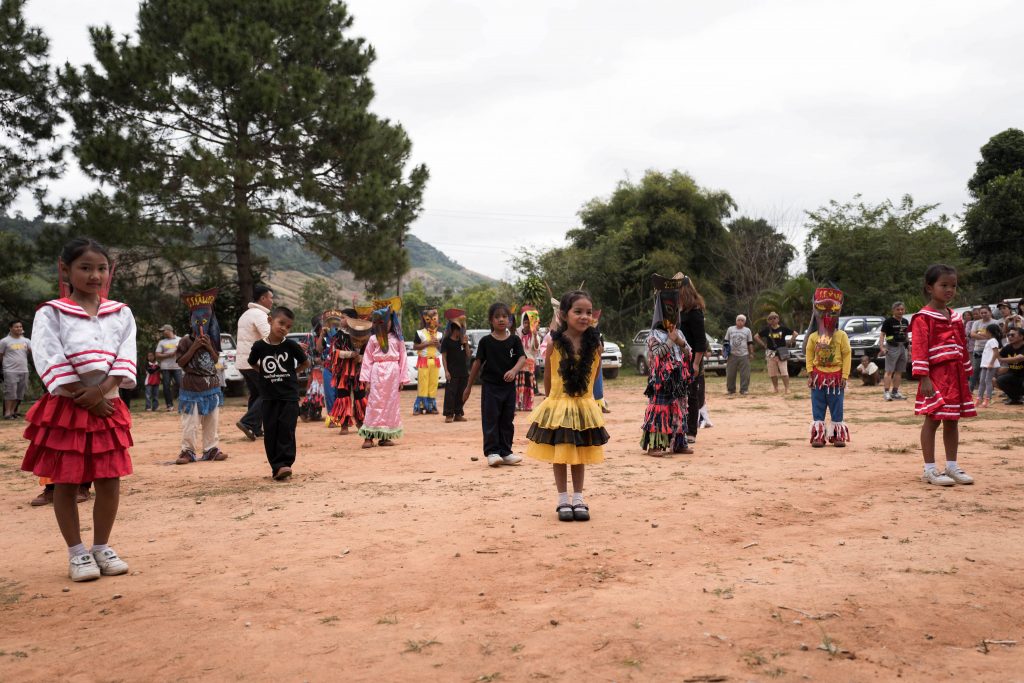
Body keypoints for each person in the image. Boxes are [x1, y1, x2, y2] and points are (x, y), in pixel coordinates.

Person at [21, 238, 136, 581]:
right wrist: (82, 394)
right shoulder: (51, 312)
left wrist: (101, 392)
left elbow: (125, 355)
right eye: (85, 268)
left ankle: (101, 547)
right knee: (66, 481)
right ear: (66, 270)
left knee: (109, 479)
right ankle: (77, 553)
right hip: (67, 407)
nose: (94, 275)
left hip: (108, 405)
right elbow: (48, 356)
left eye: (101, 268)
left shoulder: (121, 312)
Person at [526, 291, 609, 522]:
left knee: (580, 453)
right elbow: (548, 375)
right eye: (578, 311)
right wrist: (551, 401)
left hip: (583, 405)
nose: (584, 316)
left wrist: (590, 399)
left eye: (589, 312)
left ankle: (578, 498)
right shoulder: (555, 343)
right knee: (561, 452)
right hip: (559, 404)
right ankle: (563, 499)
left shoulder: (595, 344)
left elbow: (594, 375)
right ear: (564, 314)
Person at [910, 264, 976, 486]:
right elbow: (919, 348)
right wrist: (924, 377)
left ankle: (952, 466)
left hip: (955, 375)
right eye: (944, 285)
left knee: (952, 420)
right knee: (933, 419)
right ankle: (929, 469)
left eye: (953, 286)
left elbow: (962, 345)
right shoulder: (922, 317)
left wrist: (966, 370)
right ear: (930, 287)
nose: (949, 290)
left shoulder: (955, 317)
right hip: (935, 375)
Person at [247, 306, 309, 480]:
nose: (284, 328)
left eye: (288, 326)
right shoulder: (259, 346)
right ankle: (276, 467)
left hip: (289, 396)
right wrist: (263, 373)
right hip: (269, 397)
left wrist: (292, 373)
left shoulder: (291, 345)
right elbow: (252, 362)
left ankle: (285, 464)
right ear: (270, 320)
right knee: (271, 431)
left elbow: (305, 363)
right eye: (281, 323)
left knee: (287, 429)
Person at [464, 302, 527, 467]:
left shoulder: (514, 340)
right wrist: (468, 386)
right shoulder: (486, 341)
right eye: (497, 317)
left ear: (510, 320)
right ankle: (492, 452)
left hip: (508, 388)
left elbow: (522, 358)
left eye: (504, 316)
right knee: (491, 418)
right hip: (491, 387)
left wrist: (514, 370)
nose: (501, 319)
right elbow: (477, 363)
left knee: (507, 419)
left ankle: (506, 452)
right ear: (491, 320)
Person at [174, 289, 227, 464]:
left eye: (205, 320)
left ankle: (211, 449)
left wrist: (209, 347)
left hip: (211, 386)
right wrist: (194, 346)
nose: (201, 323)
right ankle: (187, 451)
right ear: (191, 322)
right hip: (191, 387)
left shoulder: (213, 339)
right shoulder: (185, 341)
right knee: (190, 422)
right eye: (197, 320)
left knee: (212, 421)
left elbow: (215, 359)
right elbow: (181, 362)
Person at [640, 274, 691, 455]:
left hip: (678, 378)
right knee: (660, 408)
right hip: (661, 380)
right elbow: (657, 354)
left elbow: (688, 352)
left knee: (679, 407)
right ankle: (655, 445)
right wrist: (670, 341)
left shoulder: (679, 333)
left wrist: (678, 341)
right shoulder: (654, 335)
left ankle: (679, 443)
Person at [806, 287, 851, 447]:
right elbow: (809, 355)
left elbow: (847, 355)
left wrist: (845, 376)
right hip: (818, 377)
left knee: (837, 406)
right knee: (817, 405)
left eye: (832, 312)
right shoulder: (813, 337)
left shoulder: (842, 335)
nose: (827, 316)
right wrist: (810, 374)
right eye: (823, 312)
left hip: (836, 377)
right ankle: (818, 436)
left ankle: (837, 436)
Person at [358, 301, 406, 448]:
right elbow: (367, 360)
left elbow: (403, 358)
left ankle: (384, 437)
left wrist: (402, 379)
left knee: (390, 405)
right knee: (374, 403)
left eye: (387, 321)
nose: (384, 324)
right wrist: (366, 380)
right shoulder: (373, 339)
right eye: (379, 322)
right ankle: (368, 437)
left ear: (392, 321)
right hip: (377, 372)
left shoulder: (398, 339)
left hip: (393, 374)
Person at [235, 284, 274, 440]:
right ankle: (248, 422)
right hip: (255, 363)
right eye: (270, 298)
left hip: (243, 362)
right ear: (263, 298)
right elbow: (269, 336)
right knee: (268, 392)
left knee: (256, 394)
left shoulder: (246, 314)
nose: (272, 301)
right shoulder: (259, 315)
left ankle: (255, 428)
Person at [328, 310, 372, 434]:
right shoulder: (338, 335)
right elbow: (333, 352)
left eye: (343, 317)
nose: (341, 320)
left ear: (352, 320)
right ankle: (344, 424)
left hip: (358, 370)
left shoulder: (363, 335)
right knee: (343, 396)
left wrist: (361, 357)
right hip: (343, 371)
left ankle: (361, 421)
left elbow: (369, 353)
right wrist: (350, 354)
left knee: (360, 396)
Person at [677, 275, 707, 447]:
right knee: (678, 394)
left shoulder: (695, 312)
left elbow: (701, 342)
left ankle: (691, 431)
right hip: (678, 359)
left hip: (692, 359)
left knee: (691, 395)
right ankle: (679, 427)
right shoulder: (678, 311)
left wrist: (696, 363)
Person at [440, 309, 470, 423]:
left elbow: (468, 355)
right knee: (450, 394)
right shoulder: (446, 341)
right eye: (458, 329)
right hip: (452, 372)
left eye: (461, 329)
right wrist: (446, 371)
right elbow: (444, 357)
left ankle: (458, 414)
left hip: (463, 371)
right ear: (453, 329)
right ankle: (449, 414)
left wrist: (466, 344)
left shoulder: (462, 341)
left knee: (461, 393)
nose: (460, 332)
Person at [755, 312, 796, 394]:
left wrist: (789, 342)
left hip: (782, 353)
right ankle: (775, 388)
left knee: (784, 372)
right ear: (768, 321)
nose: (773, 320)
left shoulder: (783, 329)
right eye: (770, 319)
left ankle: (787, 388)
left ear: (778, 319)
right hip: (770, 353)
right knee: (772, 373)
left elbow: (795, 333)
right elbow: (756, 336)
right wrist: (763, 345)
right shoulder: (767, 330)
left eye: (774, 318)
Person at [412, 307, 442, 415]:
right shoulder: (420, 333)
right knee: (423, 384)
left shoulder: (440, 334)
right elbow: (415, 346)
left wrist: (438, 344)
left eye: (435, 318)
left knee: (433, 384)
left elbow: (442, 349)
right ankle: (419, 407)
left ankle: (431, 407)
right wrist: (428, 343)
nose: (432, 321)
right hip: (424, 361)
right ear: (425, 319)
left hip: (435, 361)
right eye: (430, 319)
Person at [878, 301, 910, 400]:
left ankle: (895, 392)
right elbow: (882, 334)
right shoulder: (888, 321)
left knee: (899, 371)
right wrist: (882, 348)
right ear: (893, 310)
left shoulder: (905, 321)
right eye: (898, 309)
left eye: (902, 309)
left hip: (903, 347)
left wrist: (909, 350)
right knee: (889, 371)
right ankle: (886, 392)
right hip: (892, 347)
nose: (900, 311)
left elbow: (906, 335)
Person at [1, 319, 32, 419]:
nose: (19, 328)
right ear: (10, 328)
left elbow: (33, 352)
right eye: (16, 327)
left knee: (19, 393)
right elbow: (0, 355)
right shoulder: (4, 341)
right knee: (11, 392)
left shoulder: (26, 341)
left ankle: (13, 412)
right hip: (10, 370)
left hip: (24, 370)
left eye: (20, 327)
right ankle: (7, 413)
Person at [515, 307, 541, 411]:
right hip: (519, 363)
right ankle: (518, 404)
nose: (526, 325)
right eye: (525, 322)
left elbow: (536, 348)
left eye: (528, 322)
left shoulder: (535, 335)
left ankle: (528, 405)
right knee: (518, 384)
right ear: (522, 322)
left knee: (528, 385)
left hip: (529, 363)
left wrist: (535, 335)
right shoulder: (517, 333)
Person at [724, 314, 754, 395]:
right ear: (736, 321)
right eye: (738, 320)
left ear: (744, 322)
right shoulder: (730, 329)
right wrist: (725, 352)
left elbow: (750, 343)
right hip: (732, 354)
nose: (740, 322)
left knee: (745, 374)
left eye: (742, 320)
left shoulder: (747, 330)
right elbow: (726, 341)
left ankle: (744, 389)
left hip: (744, 354)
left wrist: (751, 353)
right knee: (730, 373)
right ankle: (731, 390)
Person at [975, 323, 1003, 408]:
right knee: (982, 381)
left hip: (991, 364)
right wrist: (979, 332)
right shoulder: (990, 340)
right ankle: (979, 398)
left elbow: (996, 353)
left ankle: (988, 399)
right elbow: (982, 334)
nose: (985, 333)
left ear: (989, 332)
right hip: (985, 364)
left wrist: (991, 363)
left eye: (986, 331)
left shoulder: (993, 341)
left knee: (988, 381)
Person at [154, 324, 181, 411]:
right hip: (165, 367)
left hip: (177, 367)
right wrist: (169, 355)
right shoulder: (162, 342)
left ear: (169, 330)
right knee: (166, 386)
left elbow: (185, 350)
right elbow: (157, 355)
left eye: (163, 331)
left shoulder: (180, 340)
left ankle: (183, 404)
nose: (162, 332)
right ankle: (169, 405)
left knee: (181, 385)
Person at [967, 305, 993, 393]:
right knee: (975, 369)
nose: (983, 314)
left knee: (989, 369)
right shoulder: (976, 323)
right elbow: (972, 335)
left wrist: (979, 334)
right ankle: (970, 389)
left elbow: (997, 335)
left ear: (990, 312)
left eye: (985, 312)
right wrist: (988, 336)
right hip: (978, 349)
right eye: (982, 313)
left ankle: (988, 390)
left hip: (991, 350)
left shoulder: (995, 322)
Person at [996, 327, 1024, 405]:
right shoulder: (1008, 347)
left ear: (1021, 336)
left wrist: (1000, 359)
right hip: (1014, 375)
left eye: (1012, 335)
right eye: (1008, 335)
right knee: (999, 380)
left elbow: (1019, 358)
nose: (1009, 337)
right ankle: (1015, 398)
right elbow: (997, 355)